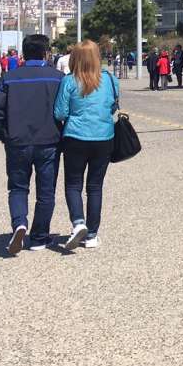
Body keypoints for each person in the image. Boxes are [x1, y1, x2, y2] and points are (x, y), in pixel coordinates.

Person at [0, 34, 63, 254]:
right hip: (49, 141)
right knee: (46, 191)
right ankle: (39, 237)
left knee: (18, 188)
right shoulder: (58, 78)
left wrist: (3, 136)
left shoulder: (9, 78)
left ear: (23, 53)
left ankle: (19, 223)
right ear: (46, 53)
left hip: (17, 142)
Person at [55, 40, 119, 250]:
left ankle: (78, 222)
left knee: (73, 184)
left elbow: (60, 113)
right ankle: (92, 234)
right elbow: (113, 106)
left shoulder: (69, 81)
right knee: (95, 186)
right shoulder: (110, 80)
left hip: (75, 136)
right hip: (103, 136)